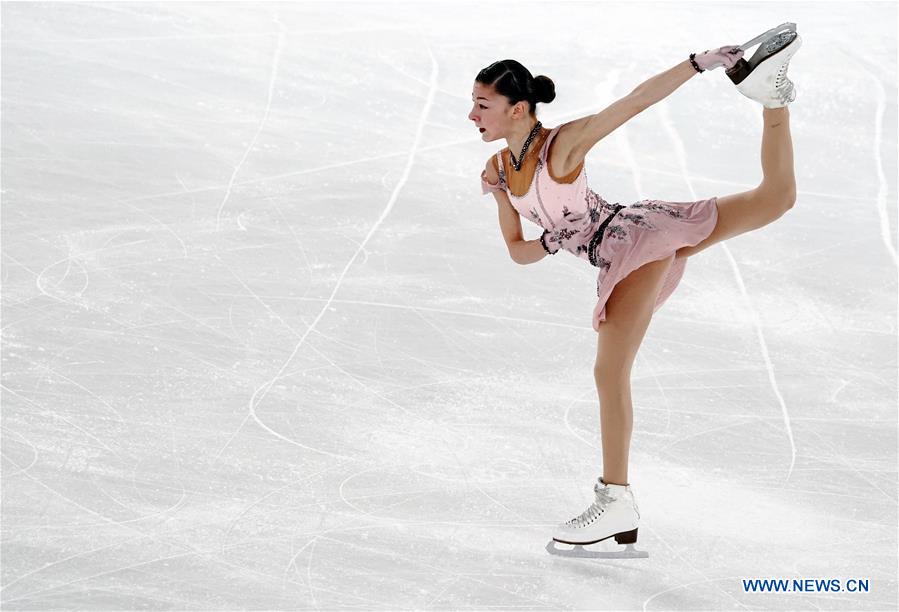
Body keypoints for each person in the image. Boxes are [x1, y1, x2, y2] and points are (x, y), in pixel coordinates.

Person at [472, 26, 801, 552]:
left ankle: (616, 500)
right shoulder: (498, 170)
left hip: (631, 244)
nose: (473, 115)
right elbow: (518, 250)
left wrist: (697, 62)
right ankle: (772, 98)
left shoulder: (564, 146)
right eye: (473, 103)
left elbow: (634, 102)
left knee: (609, 370)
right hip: (629, 238)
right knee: (776, 197)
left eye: (483, 104)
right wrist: (552, 244)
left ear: (519, 109)